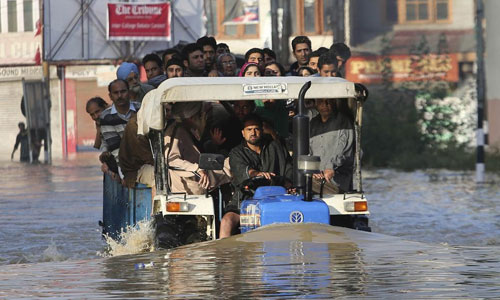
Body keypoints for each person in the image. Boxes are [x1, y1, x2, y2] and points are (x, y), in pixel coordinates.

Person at [220, 114, 293, 238]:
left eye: (256, 129)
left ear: (262, 131)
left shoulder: (275, 147)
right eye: (249, 129)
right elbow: (244, 171)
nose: (253, 133)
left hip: (276, 199)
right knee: (227, 221)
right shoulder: (236, 152)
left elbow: (288, 166)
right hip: (244, 199)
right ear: (243, 133)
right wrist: (257, 174)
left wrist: (290, 184)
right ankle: (223, 256)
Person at [164, 102, 231, 195]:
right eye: (200, 116)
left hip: (198, 176)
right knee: (232, 164)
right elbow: (172, 160)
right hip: (192, 181)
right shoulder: (176, 133)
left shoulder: (187, 130)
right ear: (192, 118)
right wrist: (197, 169)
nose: (203, 119)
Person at [309, 98, 354, 194]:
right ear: (315, 103)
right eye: (320, 101)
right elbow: (308, 150)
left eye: (328, 101)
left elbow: (343, 150)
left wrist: (330, 168)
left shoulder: (343, 121)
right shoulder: (312, 123)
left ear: (334, 102)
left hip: (336, 181)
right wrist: (312, 171)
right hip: (316, 179)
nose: (325, 105)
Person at [99, 79, 141, 178]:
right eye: (116, 93)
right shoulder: (106, 117)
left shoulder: (141, 108)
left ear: (129, 92)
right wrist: (124, 174)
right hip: (122, 161)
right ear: (110, 96)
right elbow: (115, 148)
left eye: (123, 92)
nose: (119, 96)